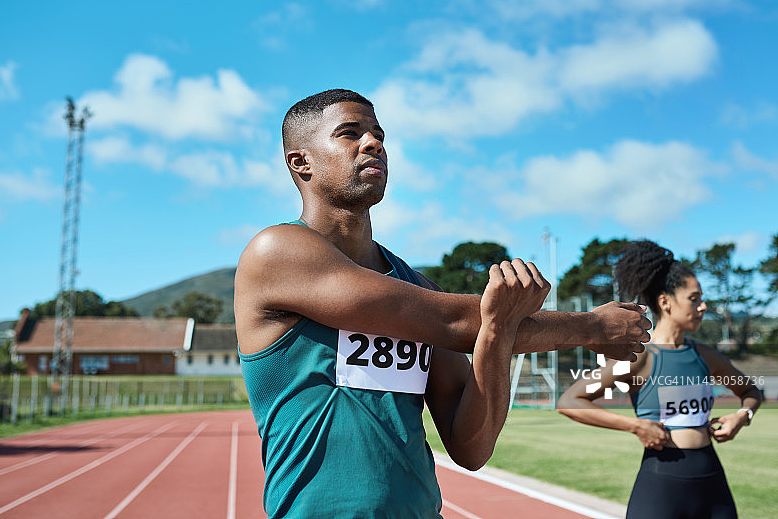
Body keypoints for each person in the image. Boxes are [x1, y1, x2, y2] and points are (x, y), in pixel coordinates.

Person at [234, 89, 652, 518]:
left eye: (378, 134)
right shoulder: (276, 252)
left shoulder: (417, 285)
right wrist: (591, 327)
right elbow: (454, 321)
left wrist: (498, 328)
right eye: (349, 133)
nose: (373, 143)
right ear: (300, 162)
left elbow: (471, 447)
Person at [557, 240, 763, 519]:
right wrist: (635, 426)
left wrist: (742, 416)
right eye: (694, 298)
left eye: (702, 298)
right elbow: (569, 401)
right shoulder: (640, 357)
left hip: (713, 486)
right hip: (661, 487)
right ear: (665, 302)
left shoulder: (705, 355)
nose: (703, 307)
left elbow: (751, 390)